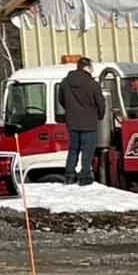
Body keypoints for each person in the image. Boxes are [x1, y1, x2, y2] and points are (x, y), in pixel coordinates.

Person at [59, 57, 106, 185]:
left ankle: (69, 175)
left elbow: (61, 100)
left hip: (72, 122)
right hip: (89, 122)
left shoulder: (65, 83)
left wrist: (71, 110)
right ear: (86, 67)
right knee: (87, 150)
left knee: (73, 149)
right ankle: (84, 176)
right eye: (91, 67)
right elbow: (101, 103)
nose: (92, 70)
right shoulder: (93, 84)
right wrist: (99, 116)